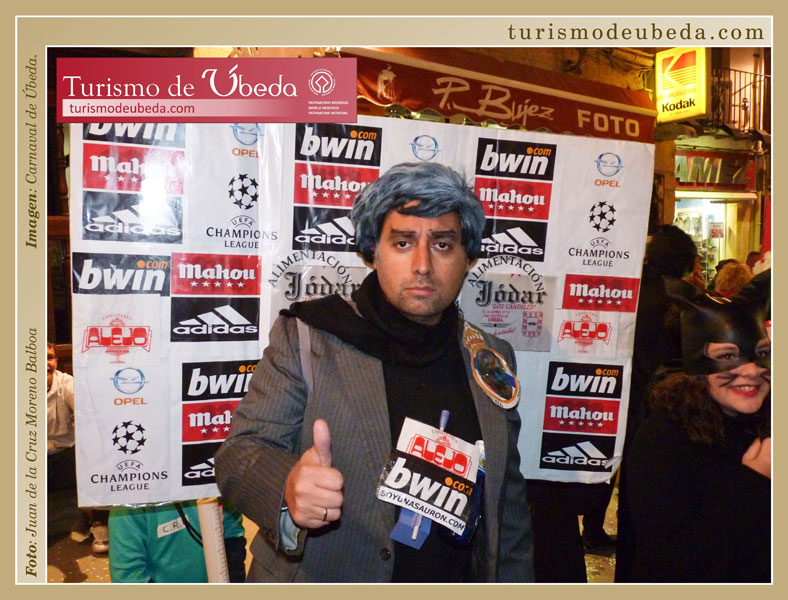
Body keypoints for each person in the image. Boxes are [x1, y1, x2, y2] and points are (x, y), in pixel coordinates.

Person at [215, 162, 534, 582]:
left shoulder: (490, 357)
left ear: (468, 257)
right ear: (372, 251)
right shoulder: (308, 337)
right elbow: (239, 454)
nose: (422, 265)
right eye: (403, 243)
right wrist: (287, 486)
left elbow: (507, 512)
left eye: (442, 244)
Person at [616, 290, 771, 582]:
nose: (751, 370)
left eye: (762, 354)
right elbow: (671, 559)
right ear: (697, 364)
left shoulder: (770, 424)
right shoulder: (662, 439)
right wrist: (755, 481)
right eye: (727, 356)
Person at [47, 342, 109, 553]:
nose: (45, 363)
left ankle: (99, 524)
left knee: (94, 456)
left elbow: (87, 414)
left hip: (65, 454)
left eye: (50, 358)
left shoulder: (67, 383)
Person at [108, 500, 247, 583]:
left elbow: (232, 531)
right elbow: (127, 576)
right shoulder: (129, 504)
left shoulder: (211, 479)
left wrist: (234, 579)